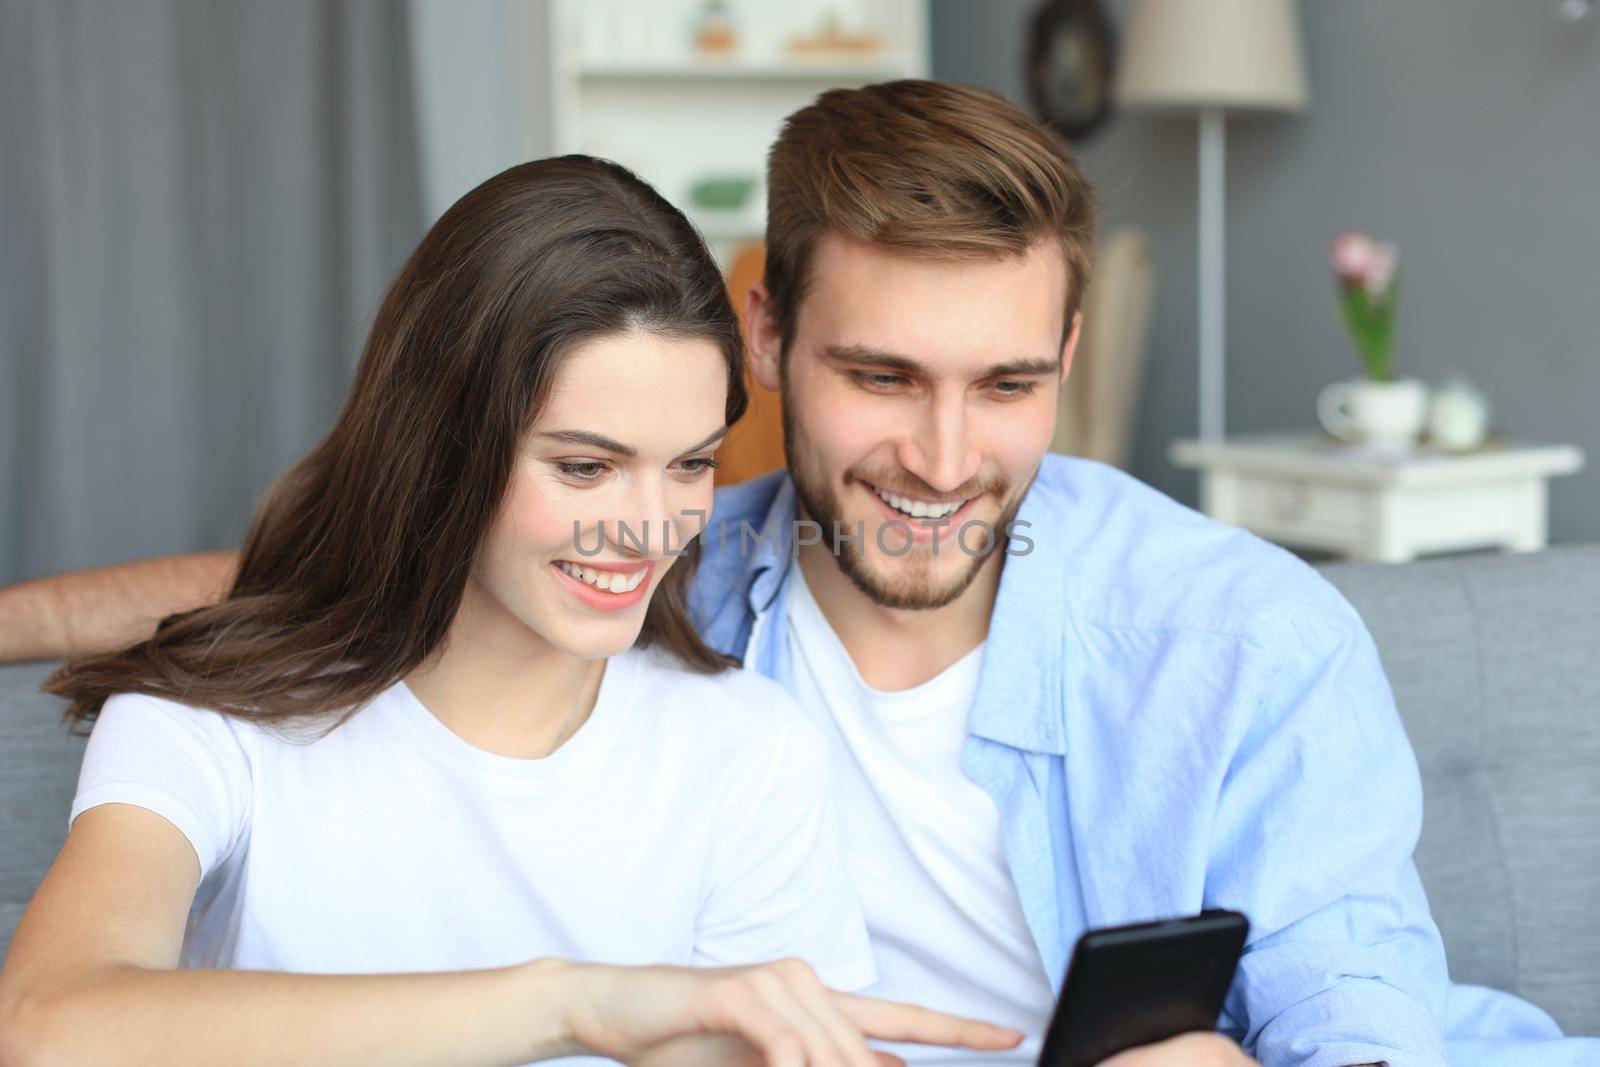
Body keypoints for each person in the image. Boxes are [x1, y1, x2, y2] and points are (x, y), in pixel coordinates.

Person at [2, 81, 1595, 1067]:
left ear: (1069, 356)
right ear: (768, 339)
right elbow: (354, 576)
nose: (948, 456)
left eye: (1010, 384)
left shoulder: (1235, 634)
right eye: (886, 377)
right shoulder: (700, 577)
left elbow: (1354, 988)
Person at [0, 154, 1022, 1067]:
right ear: (442, 443)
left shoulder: (744, 750)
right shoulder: (210, 720)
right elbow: (49, 1026)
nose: (647, 526)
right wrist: (571, 1003)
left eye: (690, 465)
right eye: (585, 466)